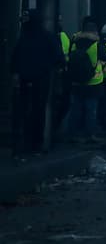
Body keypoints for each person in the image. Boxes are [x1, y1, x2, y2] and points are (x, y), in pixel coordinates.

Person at [11, 14, 63, 154]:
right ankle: (36, 143)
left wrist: (16, 73)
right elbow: (58, 57)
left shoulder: (25, 37)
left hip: (25, 79)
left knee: (24, 110)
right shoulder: (48, 37)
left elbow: (16, 57)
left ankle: (23, 141)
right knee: (38, 110)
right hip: (41, 79)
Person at [65, 19, 105, 143]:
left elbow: (68, 57)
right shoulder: (97, 44)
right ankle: (90, 134)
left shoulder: (74, 41)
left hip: (76, 81)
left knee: (75, 109)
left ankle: (72, 134)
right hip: (93, 82)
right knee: (91, 110)